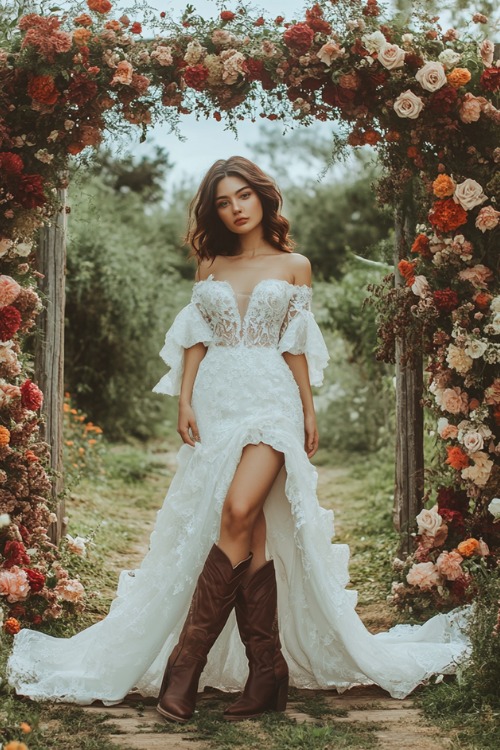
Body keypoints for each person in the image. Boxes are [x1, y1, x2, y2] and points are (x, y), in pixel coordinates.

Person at [7, 156, 468, 718]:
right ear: (215, 210)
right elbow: (196, 340)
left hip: (272, 399)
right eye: (223, 202)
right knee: (248, 530)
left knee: (237, 508)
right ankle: (266, 672)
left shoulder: (296, 265)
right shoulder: (211, 264)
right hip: (217, 399)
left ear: (261, 196)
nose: (234, 208)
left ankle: (186, 665)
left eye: (242, 196)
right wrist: (183, 399)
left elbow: (295, 344)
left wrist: (308, 410)